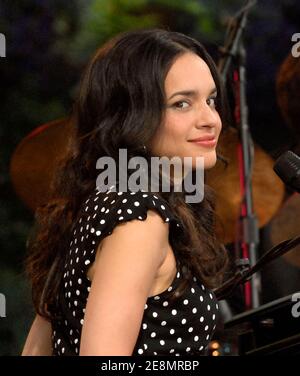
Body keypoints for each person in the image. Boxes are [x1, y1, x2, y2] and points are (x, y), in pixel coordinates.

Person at [21, 28, 229, 356]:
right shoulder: (139, 219)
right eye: (182, 103)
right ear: (133, 118)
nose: (210, 119)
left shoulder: (101, 203)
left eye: (211, 100)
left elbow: (36, 349)